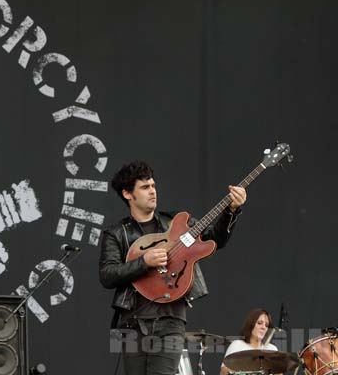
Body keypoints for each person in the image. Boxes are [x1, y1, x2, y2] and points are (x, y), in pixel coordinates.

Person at [99, 161, 246, 375]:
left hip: (171, 320)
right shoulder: (116, 233)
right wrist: (143, 262)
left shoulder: (175, 224)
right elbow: (107, 275)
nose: (152, 191)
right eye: (145, 187)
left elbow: (216, 238)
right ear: (127, 194)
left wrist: (231, 211)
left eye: (153, 186)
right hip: (133, 324)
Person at [220, 309, 278, 375]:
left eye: (266, 325)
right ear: (251, 324)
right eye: (259, 323)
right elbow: (224, 372)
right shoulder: (237, 345)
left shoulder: (272, 349)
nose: (263, 327)